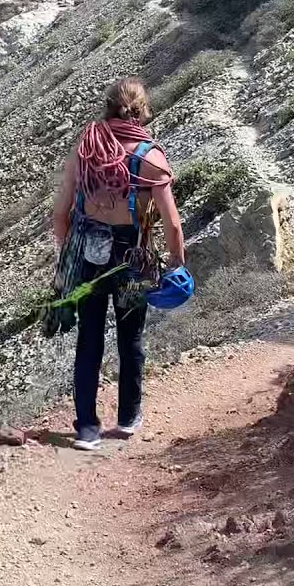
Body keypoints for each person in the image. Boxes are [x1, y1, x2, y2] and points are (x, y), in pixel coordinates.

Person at [52, 77, 187, 451]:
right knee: (131, 338)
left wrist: (71, 253)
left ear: (107, 106)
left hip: (88, 257)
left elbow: (60, 215)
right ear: (143, 110)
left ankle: (87, 430)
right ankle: (127, 418)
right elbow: (172, 222)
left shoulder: (86, 150)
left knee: (89, 340)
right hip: (133, 257)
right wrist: (177, 265)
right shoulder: (150, 157)